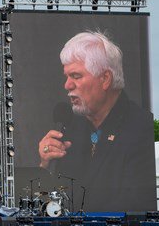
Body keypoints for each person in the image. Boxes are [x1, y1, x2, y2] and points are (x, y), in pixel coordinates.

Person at [37, 31, 155, 211]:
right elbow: (53, 204)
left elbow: (137, 204)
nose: (67, 85)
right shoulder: (70, 128)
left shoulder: (140, 126)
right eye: (67, 77)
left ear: (105, 79)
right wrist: (45, 165)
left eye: (76, 76)